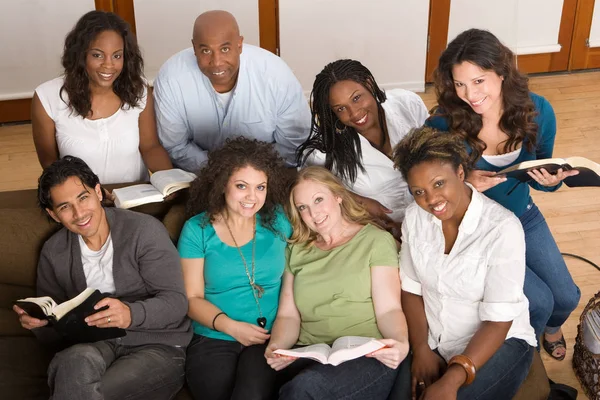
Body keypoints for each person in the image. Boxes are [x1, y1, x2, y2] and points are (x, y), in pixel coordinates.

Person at [426, 28, 580, 360]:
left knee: (567, 297)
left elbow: (538, 172)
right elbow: (427, 184)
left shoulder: (538, 111)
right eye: (460, 84)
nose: (470, 94)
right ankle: (530, 346)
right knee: (538, 301)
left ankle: (551, 328)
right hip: (478, 228)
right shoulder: (443, 123)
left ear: (502, 73)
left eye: (479, 81)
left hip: (522, 214)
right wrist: (464, 187)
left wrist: (549, 182)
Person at [12, 156, 192, 399]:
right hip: (93, 345)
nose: (79, 213)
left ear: (98, 192)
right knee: (71, 361)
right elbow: (55, 333)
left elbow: (176, 303)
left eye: (83, 197)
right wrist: (40, 325)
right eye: (64, 207)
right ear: (53, 214)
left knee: (97, 391)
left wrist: (130, 314)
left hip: (157, 345)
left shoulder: (143, 231)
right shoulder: (54, 252)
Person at [393, 127, 537, 400]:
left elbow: (498, 320)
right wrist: (421, 348)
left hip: (499, 343)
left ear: (460, 173)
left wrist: (453, 379)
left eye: (438, 183)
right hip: (434, 340)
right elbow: (411, 289)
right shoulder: (414, 217)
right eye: (418, 191)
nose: (431, 200)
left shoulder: (502, 228)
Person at [264, 166, 410, 400]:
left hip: (365, 355)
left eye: (319, 200)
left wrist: (400, 344)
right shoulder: (297, 250)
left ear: (338, 196)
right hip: (310, 354)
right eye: (303, 207)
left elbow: (389, 309)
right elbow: (288, 316)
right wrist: (277, 348)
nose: (314, 213)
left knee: (305, 388)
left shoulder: (375, 241)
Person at [178, 137, 292, 400]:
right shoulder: (198, 230)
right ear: (222, 185)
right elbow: (191, 299)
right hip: (214, 336)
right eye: (242, 186)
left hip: (269, 336)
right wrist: (231, 326)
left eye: (260, 187)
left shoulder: (278, 220)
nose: (252, 197)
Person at [154, 10, 311, 172]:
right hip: (199, 176)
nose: (216, 62)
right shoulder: (171, 79)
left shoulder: (276, 75)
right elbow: (176, 146)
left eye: (225, 49)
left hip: (269, 174)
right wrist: (221, 172)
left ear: (239, 44)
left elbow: (294, 144)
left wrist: (247, 174)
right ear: (194, 48)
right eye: (206, 51)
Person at [32, 11, 173, 184]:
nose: (108, 65)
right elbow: (49, 164)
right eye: (97, 55)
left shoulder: (139, 89)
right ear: (80, 55)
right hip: (83, 200)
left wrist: (170, 181)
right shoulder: (47, 97)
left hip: (135, 196)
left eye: (117, 56)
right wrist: (89, 193)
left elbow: (150, 147)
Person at [297, 59, 428, 239]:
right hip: (383, 233)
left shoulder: (406, 104)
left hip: (433, 212)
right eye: (341, 108)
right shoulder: (323, 153)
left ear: (368, 83)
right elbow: (305, 187)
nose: (355, 113)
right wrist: (357, 201)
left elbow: (438, 148)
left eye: (357, 98)